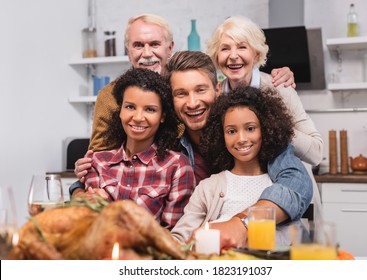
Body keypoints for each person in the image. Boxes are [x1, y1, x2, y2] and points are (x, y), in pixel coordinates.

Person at [72, 13, 296, 189]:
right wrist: (79, 188)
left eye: (155, 44)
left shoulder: (191, 88)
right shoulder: (111, 96)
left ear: (169, 48)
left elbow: (288, 174)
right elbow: (98, 162)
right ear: (128, 50)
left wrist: (274, 78)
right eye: (138, 45)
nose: (146, 53)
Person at [165, 51, 312, 247]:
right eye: (181, 93)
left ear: (217, 89)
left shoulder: (262, 137)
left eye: (200, 90)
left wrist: (243, 223)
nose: (192, 103)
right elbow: (182, 234)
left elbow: (296, 183)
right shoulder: (169, 147)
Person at [81, 68, 196, 229]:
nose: (138, 117)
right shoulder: (97, 162)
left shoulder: (177, 166)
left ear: (162, 116)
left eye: (150, 109)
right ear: (120, 110)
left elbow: (173, 235)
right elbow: (91, 226)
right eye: (130, 107)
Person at [206, 15, 323, 166]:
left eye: (242, 47)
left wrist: (279, 127)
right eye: (225, 48)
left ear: (256, 55)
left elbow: (316, 153)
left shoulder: (280, 87)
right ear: (216, 56)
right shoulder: (215, 95)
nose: (233, 56)